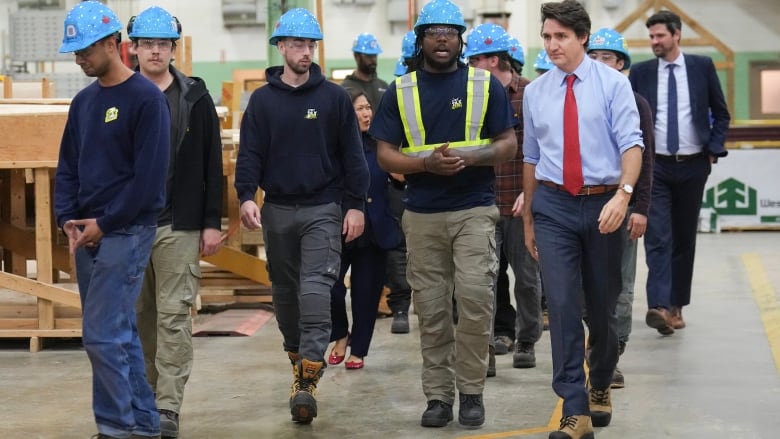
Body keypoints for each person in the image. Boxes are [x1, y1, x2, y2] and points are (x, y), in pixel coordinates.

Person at [369, 0, 517, 428]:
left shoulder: (484, 86)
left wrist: (471, 158)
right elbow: (384, 155)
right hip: (423, 214)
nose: (442, 38)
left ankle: (471, 391)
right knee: (432, 311)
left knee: (474, 301)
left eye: (450, 32)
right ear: (420, 39)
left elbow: (507, 143)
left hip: (473, 209)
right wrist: (425, 165)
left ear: (460, 40)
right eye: (433, 32)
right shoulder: (400, 90)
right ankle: (438, 396)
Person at [234, 8, 369, 425]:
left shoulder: (332, 98)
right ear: (281, 47)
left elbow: (352, 154)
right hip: (276, 208)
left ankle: (310, 371)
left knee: (316, 288)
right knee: (285, 294)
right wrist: (246, 196)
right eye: (297, 44)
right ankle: (299, 365)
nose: (305, 52)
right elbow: (251, 153)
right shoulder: (262, 101)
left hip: (322, 207)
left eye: (311, 45)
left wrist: (356, 204)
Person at [522, 1, 644, 438]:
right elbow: (532, 159)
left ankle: (602, 375)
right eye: (547, 37)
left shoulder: (613, 86)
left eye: (561, 37)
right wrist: (530, 220)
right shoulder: (537, 93)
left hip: (603, 207)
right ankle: (575, 407)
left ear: (583, 38)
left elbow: (632, 144)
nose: (552, 45)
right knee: (563, 304)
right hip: (553, 206)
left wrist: (623, 195)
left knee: (602, 307)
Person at [54, 2, 170, 438]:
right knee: (119, 334)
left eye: (85, 50)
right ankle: (142, 424)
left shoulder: (146, 100)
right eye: (75, 52)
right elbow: (68, 166)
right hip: (88, 233)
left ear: (111, 44)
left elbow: (148, 180)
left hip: (127, 231)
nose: (79, 58)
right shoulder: (83, 103)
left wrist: (104, 222)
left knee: (100, 335)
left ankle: (114, 427)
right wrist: (68, 217)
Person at [128, 6, 223, 438]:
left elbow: (211, 163)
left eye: (162, 44)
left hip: (179, 224)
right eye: (146, 43)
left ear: (173, 48)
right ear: (132, 48)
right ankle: (146, 400)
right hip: (128, 226)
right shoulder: (119, 95)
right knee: (139, 315)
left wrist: (210, 222)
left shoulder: (195, 97)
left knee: (172, 317)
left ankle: (167, 407)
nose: (154, 51)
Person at [629, 10, 730, 335]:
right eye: (652, 37)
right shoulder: (642, 73)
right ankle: (658, 305)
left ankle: (676, 306)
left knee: (684, 238)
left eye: (660, 36)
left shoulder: (701, 67)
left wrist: (712, 149)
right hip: (655, 166)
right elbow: (630, 115)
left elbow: (721, 113)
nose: (654, 42)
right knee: (658, 236)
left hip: (693, 165)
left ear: (677, 35)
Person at [467, 25, 543, 375]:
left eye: (474, 60)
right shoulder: (472, 95)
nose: (469, 66)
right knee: (485, 279)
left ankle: (527, 339)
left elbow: (544, 147)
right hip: (483, 202)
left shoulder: (531, 93)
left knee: (526, 276)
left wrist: (531, 191)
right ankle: (495, 339)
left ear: (493, 59)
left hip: (521, 200)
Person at [586, 27, 655, 389]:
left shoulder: (636, 102)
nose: (599, 64)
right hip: (585, 205)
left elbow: (646, 158)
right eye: (593, 57)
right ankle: (596, 350)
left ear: (621, 64)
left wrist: (640, 207)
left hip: (624, 206)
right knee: (590, 286)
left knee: (622, 288)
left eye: (607, 58)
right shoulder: (578, 100)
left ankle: (612, 356)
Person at [327, 88, 404, 369]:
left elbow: (401, 179)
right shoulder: (334, 146)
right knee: (330, 287)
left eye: (368, 107)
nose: (366, 113)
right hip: (340, 227)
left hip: (375, 228)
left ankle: (358, 349)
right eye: (359, 108)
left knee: (366, 293)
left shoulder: (382, 144)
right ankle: (339, 334)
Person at [386, 29, 417, 334]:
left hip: (440, 187)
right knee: (398, 248)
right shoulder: (397, 94)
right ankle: (400, 307)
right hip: (402, 183)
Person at [340, 33, 388, 109]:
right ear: (356, 56)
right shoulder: (345, 88)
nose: (373, 60)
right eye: (368, 56)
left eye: (375, 55)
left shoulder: (384, 86)